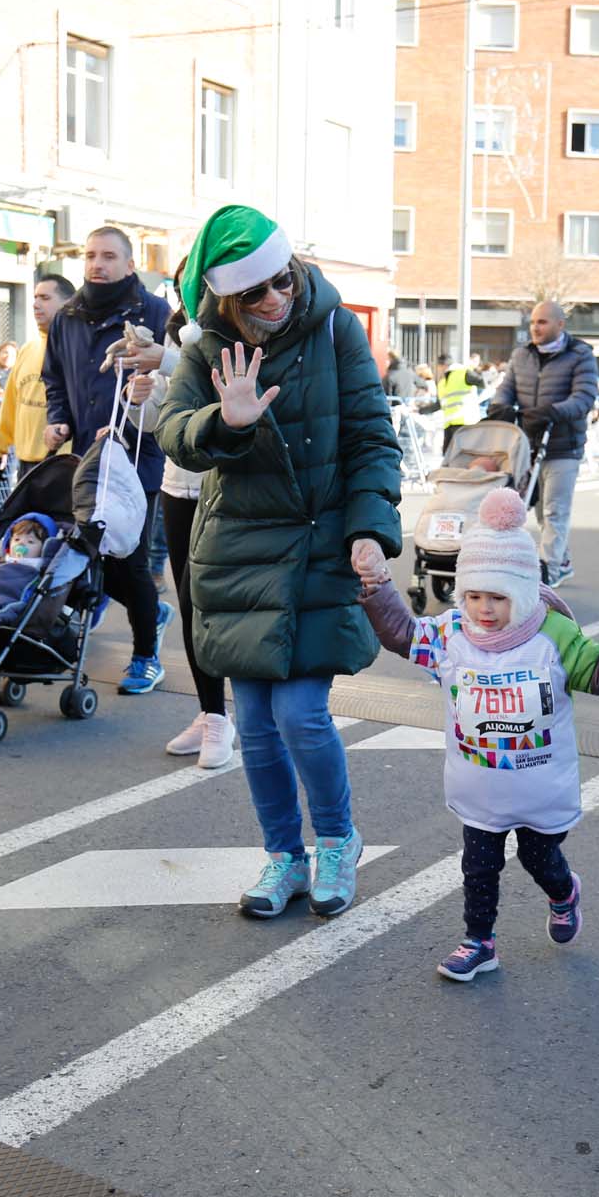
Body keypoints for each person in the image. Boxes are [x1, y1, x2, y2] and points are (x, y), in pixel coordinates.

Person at [156, 204, 402, 919]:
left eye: (282, 279)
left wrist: (370, 529)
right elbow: (175, 434)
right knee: (256, 721)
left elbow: (370, 436)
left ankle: (336, 838)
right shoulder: (205, 350)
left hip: (323, 539)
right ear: (226, 298)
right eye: (256, 291)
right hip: (238, 547)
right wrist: (223, 422)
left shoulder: (333, 325)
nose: (275, 298)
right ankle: (282, 856)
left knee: (300, 712)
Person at [357, 487, 599, 980]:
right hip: (481, 789)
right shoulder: (452, 635)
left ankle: (564, 892)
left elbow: (597, 672)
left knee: (539, 858)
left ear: (525, 594)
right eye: (473, 596)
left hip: (541, 788)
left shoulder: (552, 635)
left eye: (497, 597)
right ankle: (479, 941)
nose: (483, 608)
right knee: (479, 867)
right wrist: (378, 582)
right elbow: (403, 633)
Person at [43, 228, 174, 694]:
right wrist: (58, 419)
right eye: (91, 255)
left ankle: (145, 657)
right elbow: (53, 377)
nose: (98, 264)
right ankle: (151, 611)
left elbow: (176, 379)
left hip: (138, 456)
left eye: (109, 256)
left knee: (130, 560)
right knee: (92, 558)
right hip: (86, 457)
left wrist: (144, 404)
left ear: (130, 264)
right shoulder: (68, 317)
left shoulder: (156, 313)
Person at [121, 305, 233, 770]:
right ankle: (212, 715)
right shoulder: (173, 334)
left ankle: (237, 718)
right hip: (177, 484)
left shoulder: (236, 329)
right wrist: (138, 396)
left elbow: (218, 380)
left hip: (228, 486)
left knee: (222, 603)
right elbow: (154, 424)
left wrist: (162, 361)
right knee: (190, 606)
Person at [488, 300, 597, 588]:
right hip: (528, 444)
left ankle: (547, 569)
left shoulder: (580, 355)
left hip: (563, 444)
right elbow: (506, 389)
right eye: (533, 322)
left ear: (560, 324)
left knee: (555, 509)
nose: (535, 328)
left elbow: (584, 398)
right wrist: (500, 408)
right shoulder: (521, 355)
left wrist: (553, 412)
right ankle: (563, 558)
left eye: (542, 322)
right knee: (537, 509)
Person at [0, 275, 74, 486]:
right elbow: (10, 404)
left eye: (45, 297)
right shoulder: (28, 349)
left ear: (68, 303)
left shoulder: (76, 350)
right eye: (35, 297)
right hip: (26, 464)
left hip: (64, 463)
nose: (35, 304)